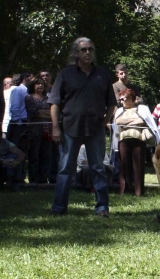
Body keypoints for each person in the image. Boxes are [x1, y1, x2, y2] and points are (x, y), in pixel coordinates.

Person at [49, 37, 116, 217]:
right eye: (84, 50)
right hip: (70, 128)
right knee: (65, 169)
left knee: (98, 168)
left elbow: (111, 103)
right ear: (76, 53)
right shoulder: (65, 74)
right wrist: (56, 127)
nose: (88, 53)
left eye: (91, 50)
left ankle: (102, 207)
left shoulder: (103, 74)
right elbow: (54, 103)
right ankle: (59, 208)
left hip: (95, 129)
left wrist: (105, 121)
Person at [112, 88, 160, 196]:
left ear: (131, 98)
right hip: (123, 140)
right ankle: (125, 190)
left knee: (138, 166)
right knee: (124, 165)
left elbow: (142, 121)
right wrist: (133, 122)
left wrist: (127, 123)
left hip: (139, 140)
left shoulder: (142, 109)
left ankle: (139, 191)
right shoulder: (120, 111)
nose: (122, 101)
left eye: (124, 99)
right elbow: (118, 121)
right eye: (121, 100)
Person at [24, 76, 52, 184]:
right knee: (34, 156)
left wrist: (44, 113)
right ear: (33, 85)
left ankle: (43, 179)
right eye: (37, 83)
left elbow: (52, 114)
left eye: (42, 84)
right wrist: (45, 113)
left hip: (47, 131)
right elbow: (34, 112)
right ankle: (33, 180)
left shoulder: (47, 98)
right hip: (34, 131)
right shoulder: (29, 98)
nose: (40, 85)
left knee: (46, 156)